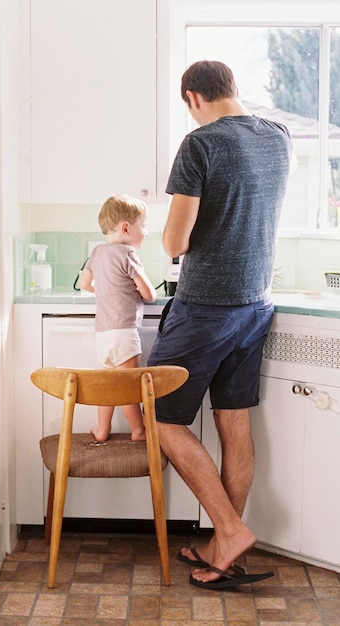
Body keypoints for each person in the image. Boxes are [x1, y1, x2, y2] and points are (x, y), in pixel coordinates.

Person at [147, 60, 293, 589]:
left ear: (192, 97)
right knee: (234, 422)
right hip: (255, 305)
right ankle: (219, 547)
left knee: (161, 417)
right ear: (231, 89)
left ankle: (229, 531)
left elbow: (174, 243)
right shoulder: (278, 137)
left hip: (205, 307)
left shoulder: (200, 144)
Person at [80, 194, 157, 443]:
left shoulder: (97, 252)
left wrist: (107, 290)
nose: (146, 232)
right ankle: (139, 430)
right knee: (126, 389)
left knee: (108, 387)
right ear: (126, 227)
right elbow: (149, 294)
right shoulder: (128, 254)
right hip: (124, 333)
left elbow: (85, 284)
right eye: (143, 226)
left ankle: (102, 430)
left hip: (103, 334)